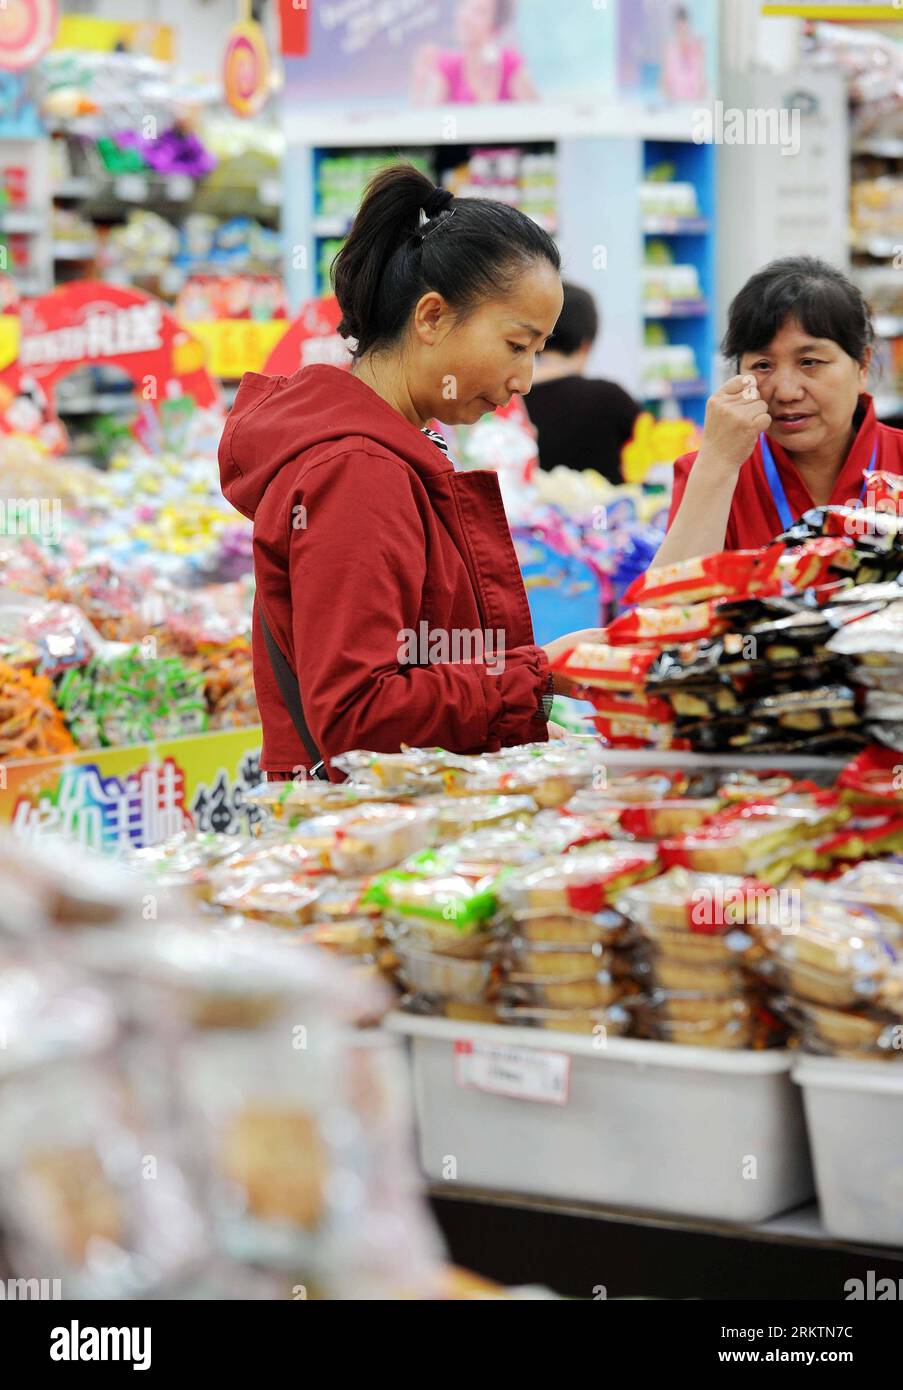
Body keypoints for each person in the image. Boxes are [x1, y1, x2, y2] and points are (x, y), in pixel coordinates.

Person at [218, 164, 604, 782]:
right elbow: (358, 716)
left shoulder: (380, 451)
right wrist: (539, 676)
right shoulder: (358, 471)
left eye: (538, 351)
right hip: (368, 845)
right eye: (515, 345)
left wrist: (513, 732)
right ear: (430, 318)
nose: (525, 380)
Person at [655, 256, 903, 565]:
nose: (786, 391)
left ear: (863, 365)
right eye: (762, 366)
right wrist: (716, 467)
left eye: (810, 362)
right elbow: (668, 607)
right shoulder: (710, 473)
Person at [523, 282, 640, 481]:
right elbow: (651, 442)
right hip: (611, 511)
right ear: (586, 344)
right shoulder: (610, 398)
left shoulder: (510, 399)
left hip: (531, 511)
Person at [411, 0, 538, 106]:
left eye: (479, 12)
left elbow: (539, 121)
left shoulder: (509, 64)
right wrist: (419, 87)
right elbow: (431, 125)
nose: (465, 16)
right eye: (464, 6)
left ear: (495, 28)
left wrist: (487, 101)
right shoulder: (448, 66)